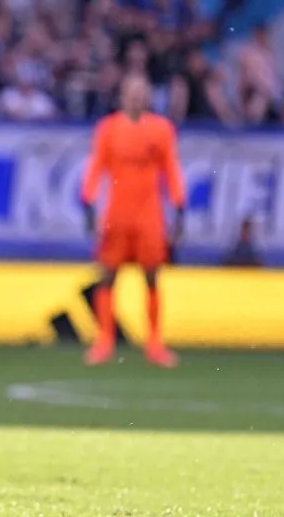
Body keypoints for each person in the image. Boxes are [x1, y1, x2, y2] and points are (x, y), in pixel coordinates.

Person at [81, 74, 185, 368]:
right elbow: (96, 166)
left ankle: (154, 342)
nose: (137, 98)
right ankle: (104, 341)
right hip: (117, 215)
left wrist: (179, 203)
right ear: (122, 96)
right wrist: (87, 200)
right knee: (107, 275)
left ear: (148, 97)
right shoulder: (109, 129)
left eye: (141, 92)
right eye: (132, 92)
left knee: (152, 276)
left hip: (149, 215)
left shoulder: (161, 129)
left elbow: (171, 169)